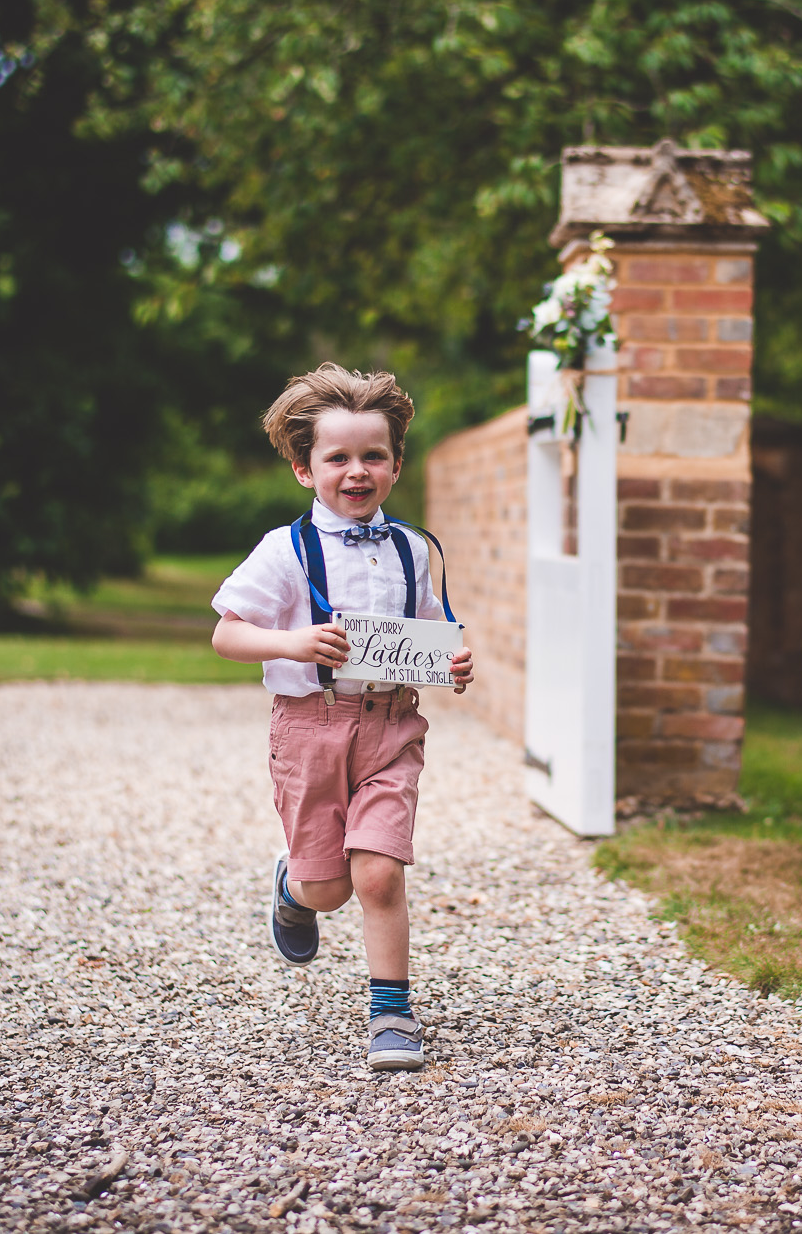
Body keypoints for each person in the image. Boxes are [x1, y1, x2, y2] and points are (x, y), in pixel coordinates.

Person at [210, 363, 475, 1072]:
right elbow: (226, 634)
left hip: (391, 725)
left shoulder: (415, 549)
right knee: (327, 887)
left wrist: (452, 662)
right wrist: (292, 641)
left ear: (394, 465)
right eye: (338, 458)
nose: (356, 471)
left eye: (373, 456)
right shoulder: (285, 550)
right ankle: (292, 888)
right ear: (305, 468)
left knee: (379, 873)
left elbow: (430, 630)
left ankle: (391, 1010)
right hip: (310, 727)